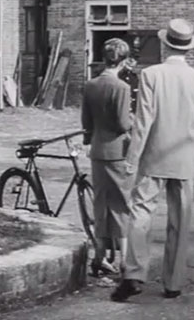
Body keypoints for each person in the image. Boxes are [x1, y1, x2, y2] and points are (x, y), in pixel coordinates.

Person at [111, 18, 194, 302]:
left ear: (164, 43)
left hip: (153, 157)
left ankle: (134, 274)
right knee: (180, 220)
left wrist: (132, 158)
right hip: (183, 159)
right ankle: (173, 282)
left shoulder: (151, 75)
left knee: (141, 214)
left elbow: (143, 121)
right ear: (189, 48)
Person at [82, 38, 134, 277]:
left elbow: (86, 122)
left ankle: (99, 256)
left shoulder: (91, 85)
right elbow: (123, 124)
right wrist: (133, 122)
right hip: (117, 153)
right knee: (122, 204)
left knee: (101, 203)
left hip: (97, 151)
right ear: (122, 61)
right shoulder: (121, 88)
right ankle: (125, 259)